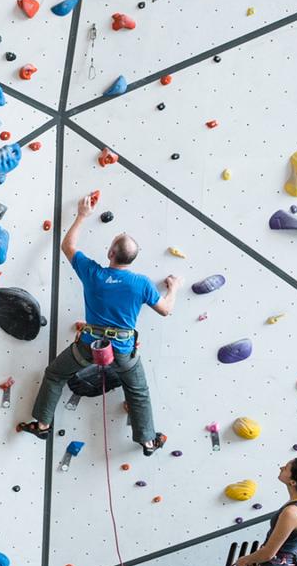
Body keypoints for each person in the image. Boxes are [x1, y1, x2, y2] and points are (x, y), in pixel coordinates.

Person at [18, 195, 179, 455]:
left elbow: (68, 246)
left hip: (89, 346)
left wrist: (82, 214)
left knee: (56, 375)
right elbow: (165, 310)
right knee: (138, 392)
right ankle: (148, 441)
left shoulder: (94, 274)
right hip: (124, 350)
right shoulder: (142, 283)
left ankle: (44, 424)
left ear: (110, 253)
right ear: (133, 259)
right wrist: (174, 288)